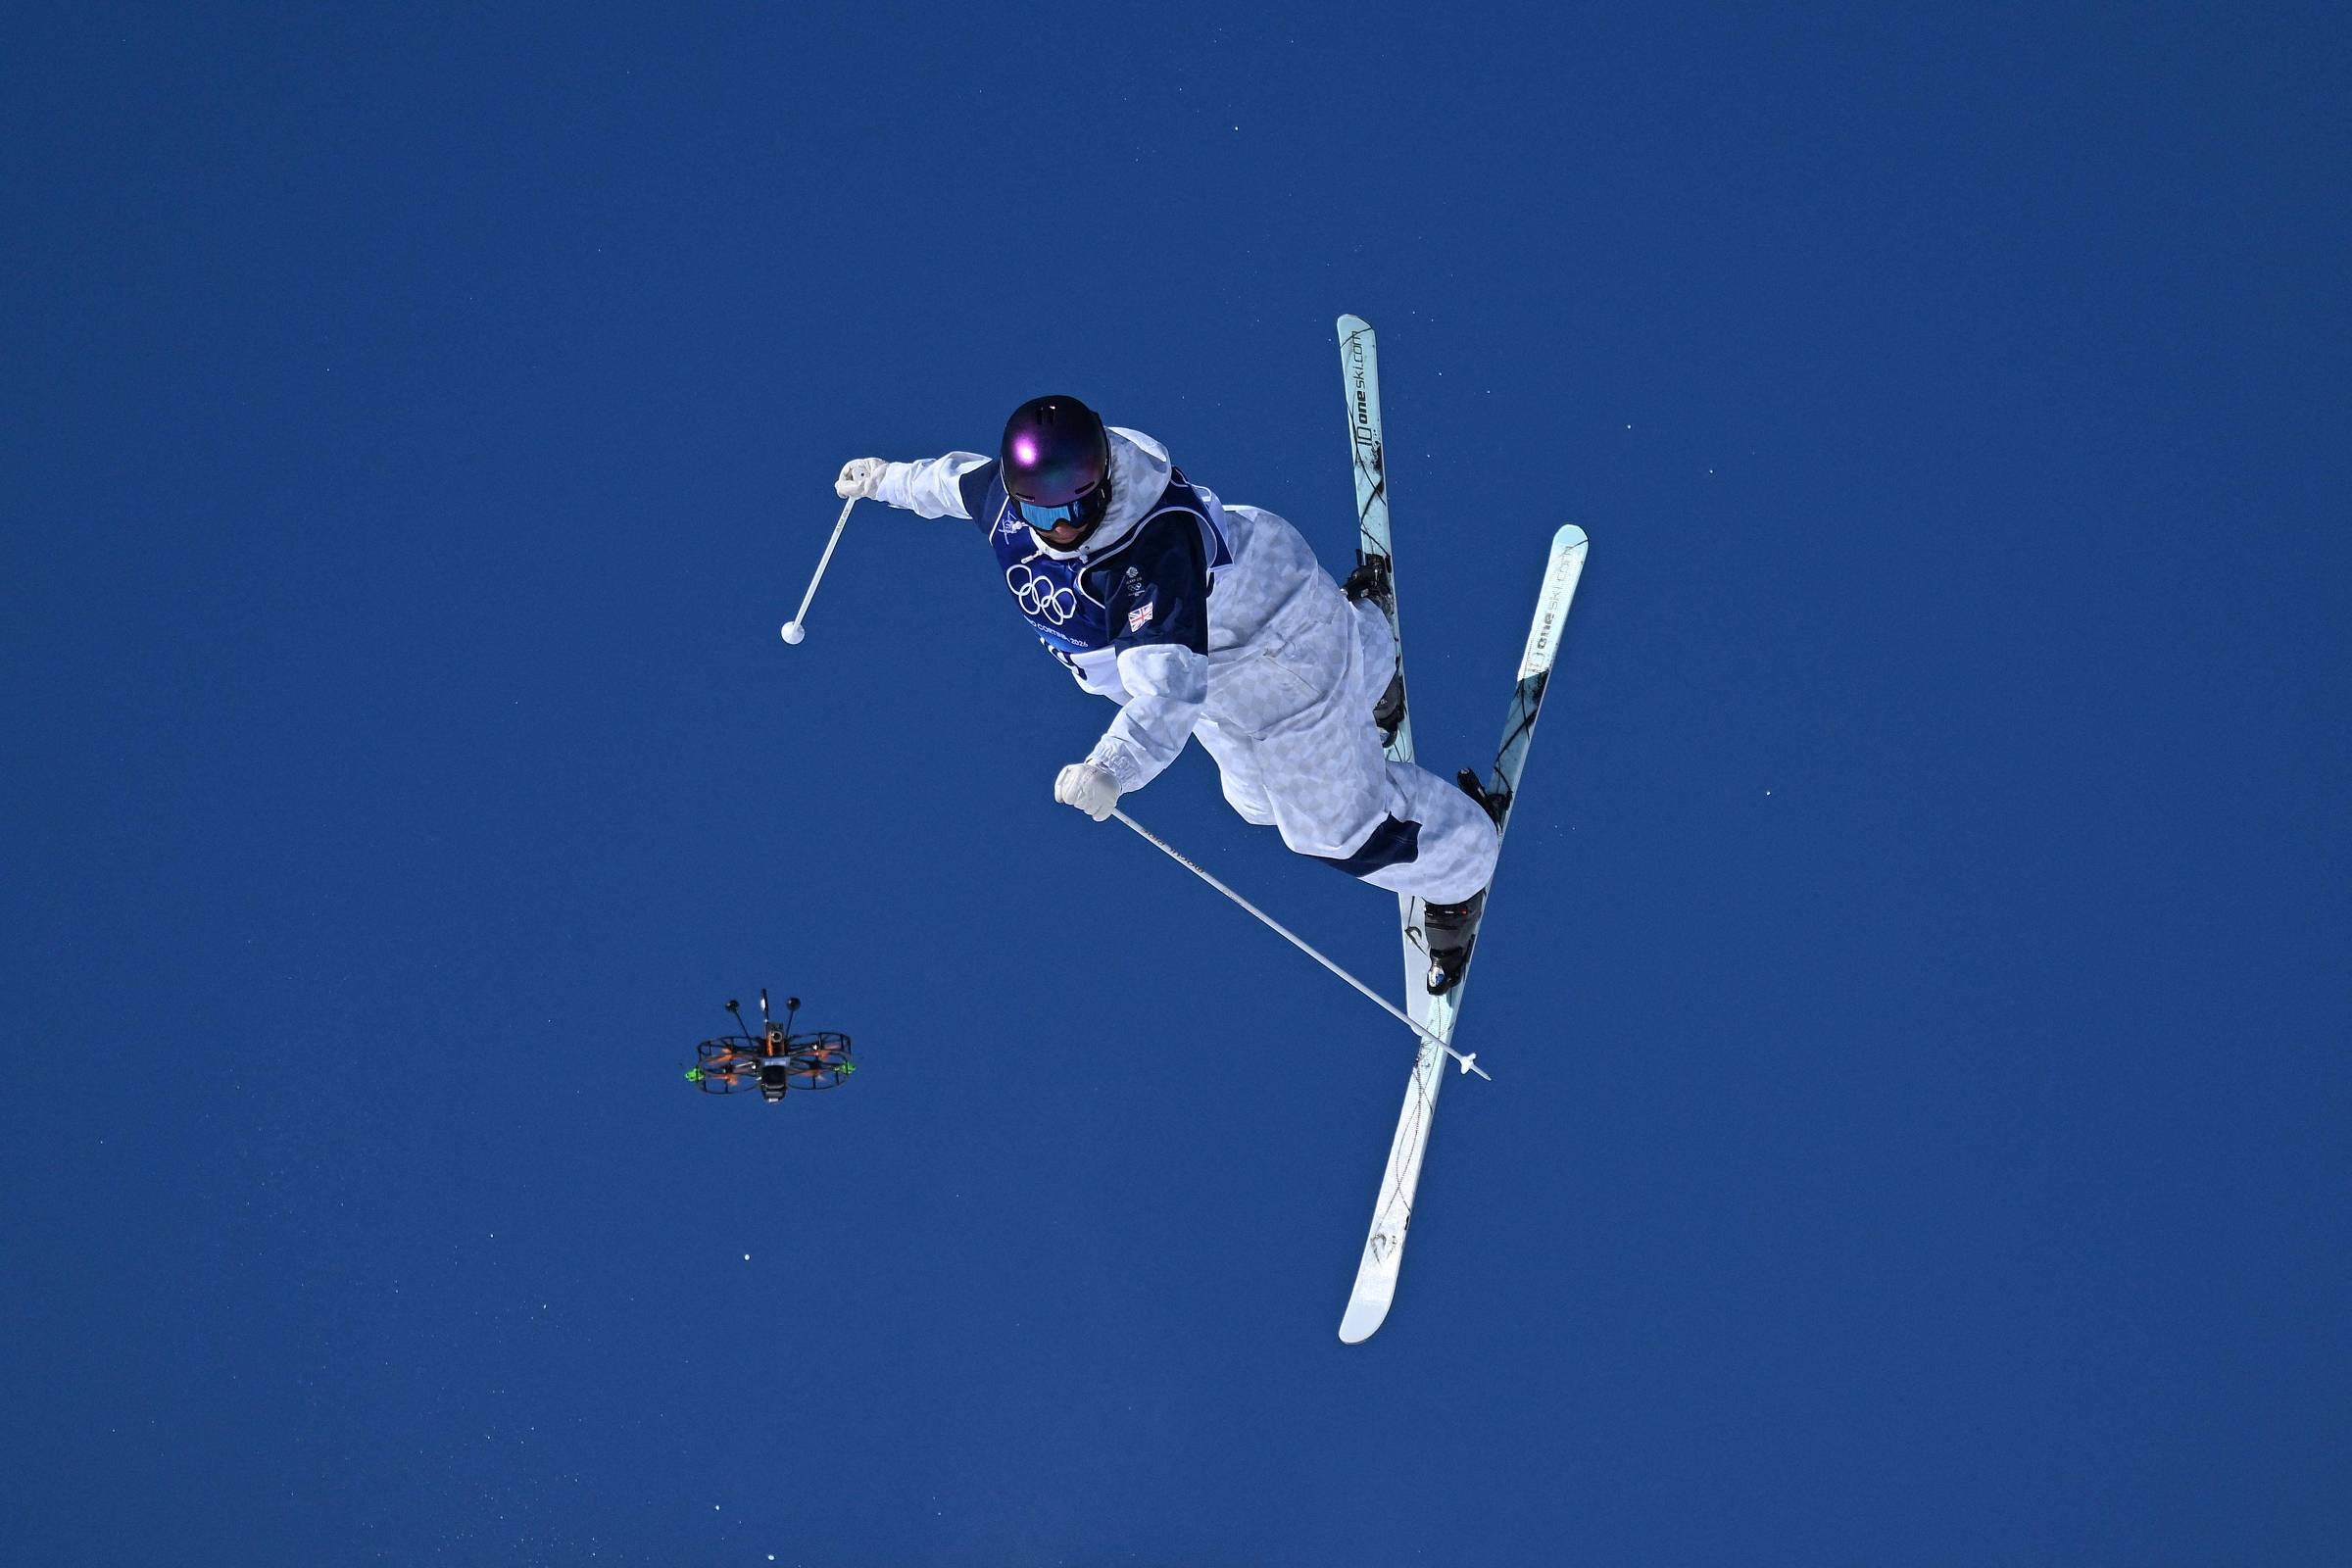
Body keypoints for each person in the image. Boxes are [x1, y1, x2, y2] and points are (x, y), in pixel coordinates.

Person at [834, 396, 1497, 991]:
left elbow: (1168, 696)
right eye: (1042, 510)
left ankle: (1463, 866)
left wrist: (1109, 769)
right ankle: (1367, 651)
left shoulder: (1149, 554)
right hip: (1232, 664)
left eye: (1077, 507)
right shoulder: (1006, 503)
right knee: (1254, 804)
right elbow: (949, 481)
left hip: (1278, 652)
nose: (1061, 526)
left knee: (1332, 832)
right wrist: (882, 480)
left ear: (1103, 482)